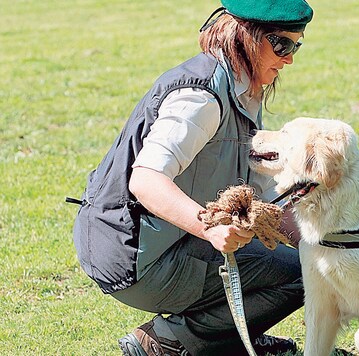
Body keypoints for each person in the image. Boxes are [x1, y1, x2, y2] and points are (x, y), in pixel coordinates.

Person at [70, 0, 313, 355]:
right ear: (244, 36)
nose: (290, 58)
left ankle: (219, 338)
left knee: (312, 263)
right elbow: (146, 180)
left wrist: (328, 242)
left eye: (297, 45)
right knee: (302, 275)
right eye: (282, 45)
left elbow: (262, 199)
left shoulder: (243, 88)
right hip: (135, 256)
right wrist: (210, 228)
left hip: (159, 242)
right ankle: (167, 341)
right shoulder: (201, 96)